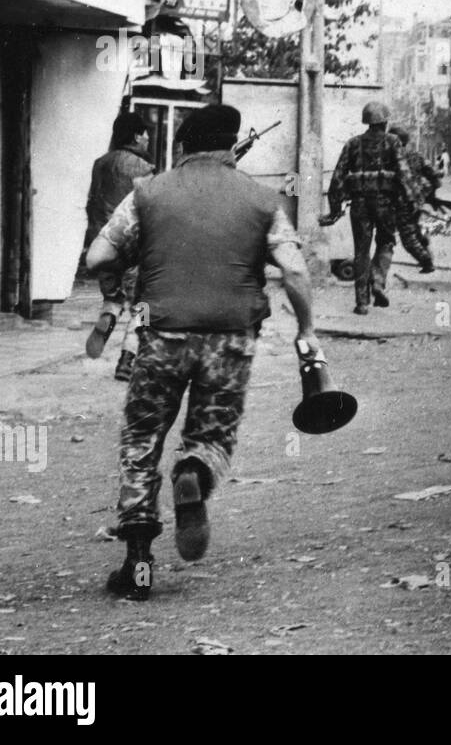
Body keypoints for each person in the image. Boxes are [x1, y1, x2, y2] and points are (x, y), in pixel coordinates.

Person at [85, 104, 318, 601]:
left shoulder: (148, 192)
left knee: (141, 440)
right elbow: (295, 270)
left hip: (162, 333)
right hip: (232, 337)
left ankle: (138, 566)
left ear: (185, 147)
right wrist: (308, 329)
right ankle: (195, 469)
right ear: (230, 148)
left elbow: (98, 256)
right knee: (211, 432)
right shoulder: (262, 198)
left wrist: (140, 253)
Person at [321, 101, 423, 314]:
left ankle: (361, 303)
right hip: (386, 204)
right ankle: (377, 281)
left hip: (359, 205)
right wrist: (414, 201)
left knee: (361, 251)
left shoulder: (352, 144)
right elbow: (404, 173)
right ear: (384, 121)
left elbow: (337, 178)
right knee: (386, 242)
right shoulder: (393, 141)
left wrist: (334, 209)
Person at [84, 111, 155, 380]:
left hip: (101, 245)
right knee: (144, 305)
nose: (148, 138)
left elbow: (93, 202)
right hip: (132, 247)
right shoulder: (142, 168)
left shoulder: (100, 163)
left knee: (114, 297)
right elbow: (148, 208)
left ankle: (108, 318)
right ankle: (128, 359)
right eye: (145, 133)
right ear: (136, 135)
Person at [388, 125, 437, 274]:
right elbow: (433, 176)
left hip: (401, 202)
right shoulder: (416, 155)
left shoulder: (392, 157)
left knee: (408, 237)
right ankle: (426, 252)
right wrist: (430, 196)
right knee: (413, 230)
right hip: (416, 201)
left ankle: (426, 261)